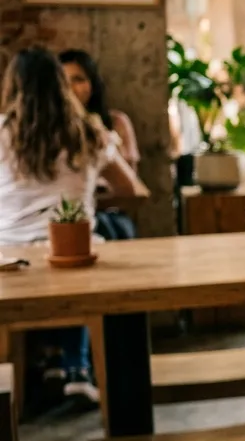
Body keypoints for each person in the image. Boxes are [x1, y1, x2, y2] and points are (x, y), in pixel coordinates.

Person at [0, 48, 142, 406]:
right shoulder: (90, 132)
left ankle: (25, 382)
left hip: (8, 259)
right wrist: (89, 185)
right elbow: (132, 190)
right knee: (84, 260)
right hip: (73, 252)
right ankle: (77, 368)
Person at [58, 49, 144, 240]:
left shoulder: (115, 122)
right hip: (67, 214)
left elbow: (132, 184)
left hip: (109, 212)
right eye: (64, 81)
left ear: (92, 84)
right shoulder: (51, 131)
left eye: (78, 79)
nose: (71, 88)